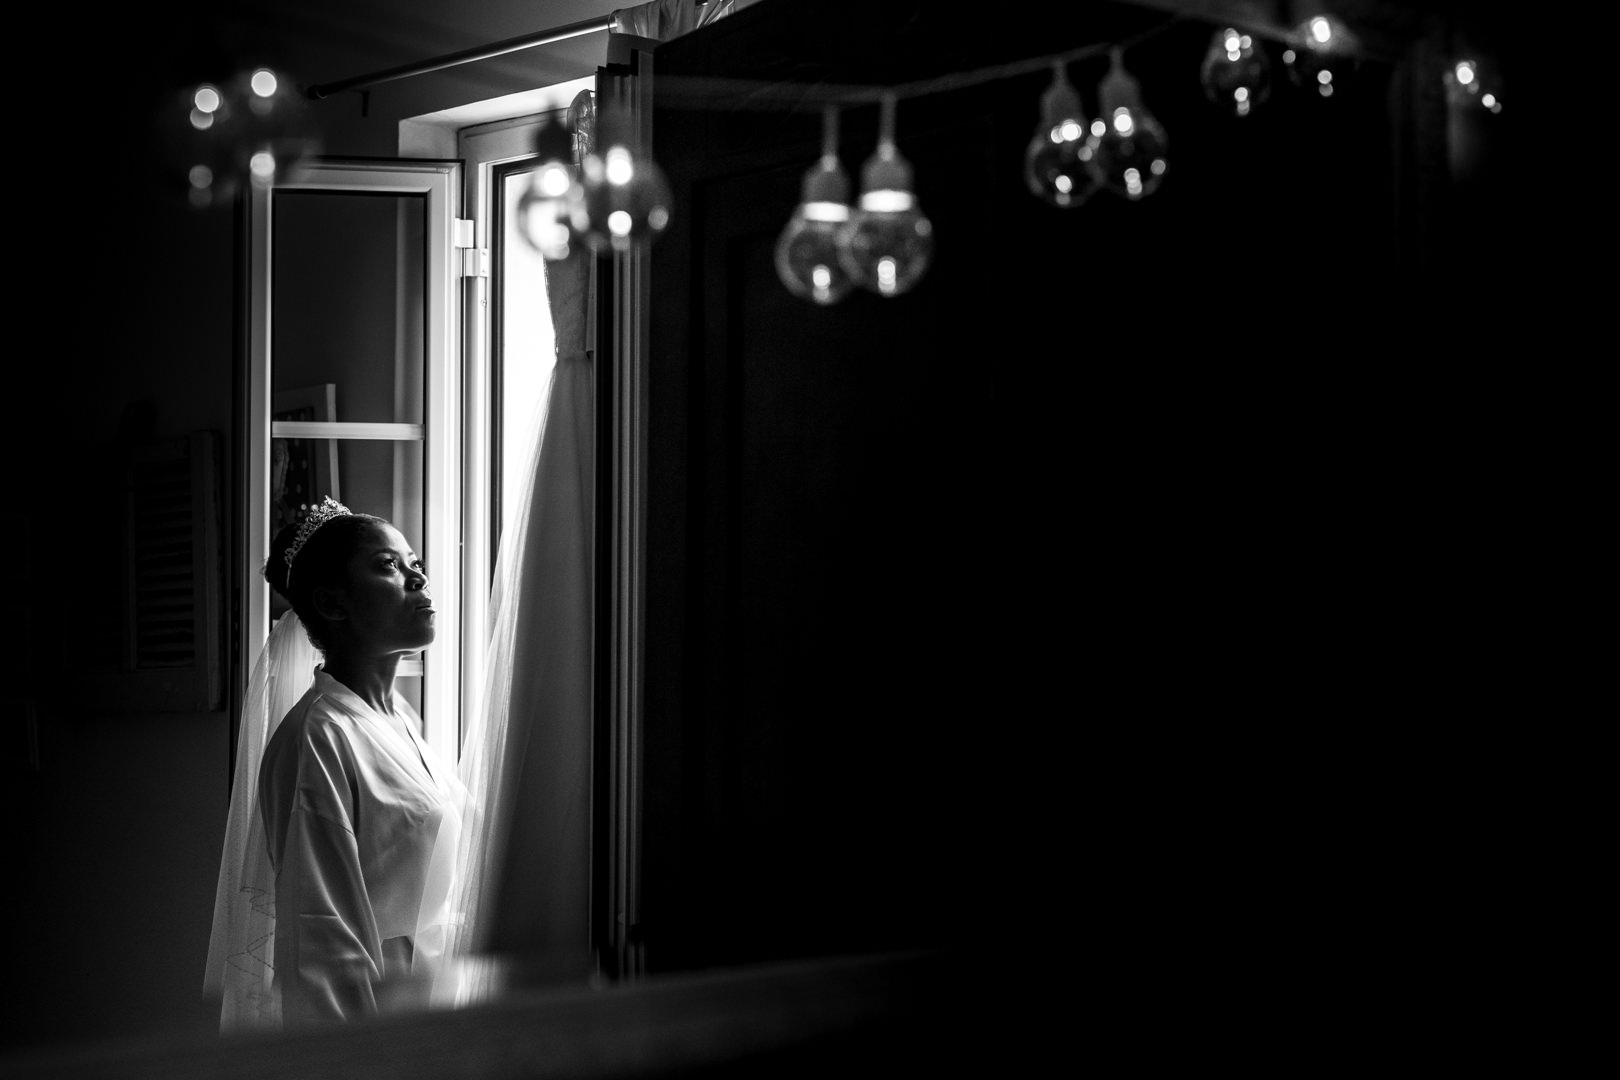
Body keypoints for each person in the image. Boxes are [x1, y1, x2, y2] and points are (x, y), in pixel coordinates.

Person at [204, 496, 469, 1029]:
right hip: (380, 1022)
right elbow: (322, 939)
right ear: (332, 603)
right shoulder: (318, 739)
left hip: (439, 1000)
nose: (419, 579)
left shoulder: (401, 722)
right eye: (388, 565)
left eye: (416, 563)